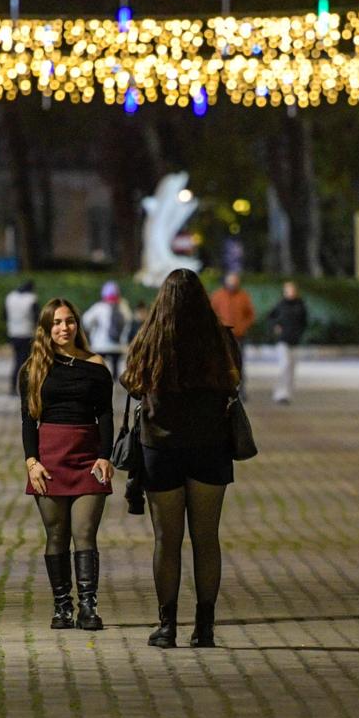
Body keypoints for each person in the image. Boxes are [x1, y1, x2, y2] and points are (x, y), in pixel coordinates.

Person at [122, 269, 241, 649]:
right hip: (210, 446)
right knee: (206, 539)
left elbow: (130, 382)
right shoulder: (219, 338)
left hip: (161, 448)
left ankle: (166, 625)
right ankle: (204, 627)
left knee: (166, 539)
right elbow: (233, 382)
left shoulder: (151, 337)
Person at [20, 298, 116, 632]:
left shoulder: (96, 365)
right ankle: (63, 607)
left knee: (85, 532)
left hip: (88, 457)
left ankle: (88, 608)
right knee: (57, 534)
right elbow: (27, 421)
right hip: (49, 459)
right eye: (57, 323)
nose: (65, 328)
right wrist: (32, 462)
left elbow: (106, 414)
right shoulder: (34, 369)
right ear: (46, 328)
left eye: (70, 321)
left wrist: (106, 455)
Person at [210, 271, 256, 399]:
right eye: (231, 281)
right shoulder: (218, 296)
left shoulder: (243, 296)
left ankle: (241, 390)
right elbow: (210, 313)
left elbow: (250, 315)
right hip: (222, 336)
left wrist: (243, 326)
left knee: (239, 364)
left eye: (235, 281)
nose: (233, 284)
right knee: (222, 364)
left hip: (239, 336)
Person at [266, 281, 309, 404]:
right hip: (282, 341)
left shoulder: (301, 305)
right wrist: (275, 327)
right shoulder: (280, 304)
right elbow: (270, 318)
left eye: (293, 290)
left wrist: (300, 333)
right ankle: (280, 393)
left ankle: (288, 394)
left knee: (292, 368)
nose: (291, 293)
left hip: (295, 341)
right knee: (284, 365)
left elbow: (304, 321)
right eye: (288, 290)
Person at [81, 281, 133, 377]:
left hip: (100, 346)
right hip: (119, 347)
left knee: (99, 371)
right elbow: (129, 323)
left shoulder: (99, 307)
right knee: (116, 373)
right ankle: (115, 386)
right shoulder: (124, 307)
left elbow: (86, 321)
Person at [4, 279, 40, 394]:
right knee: (25, 361)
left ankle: (13, 386)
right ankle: (25, 387)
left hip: (13, 333)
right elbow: (37, 317)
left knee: (17, 360)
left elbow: (4, 315)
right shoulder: (31, 299)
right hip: (26, 333)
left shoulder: (10, 297)